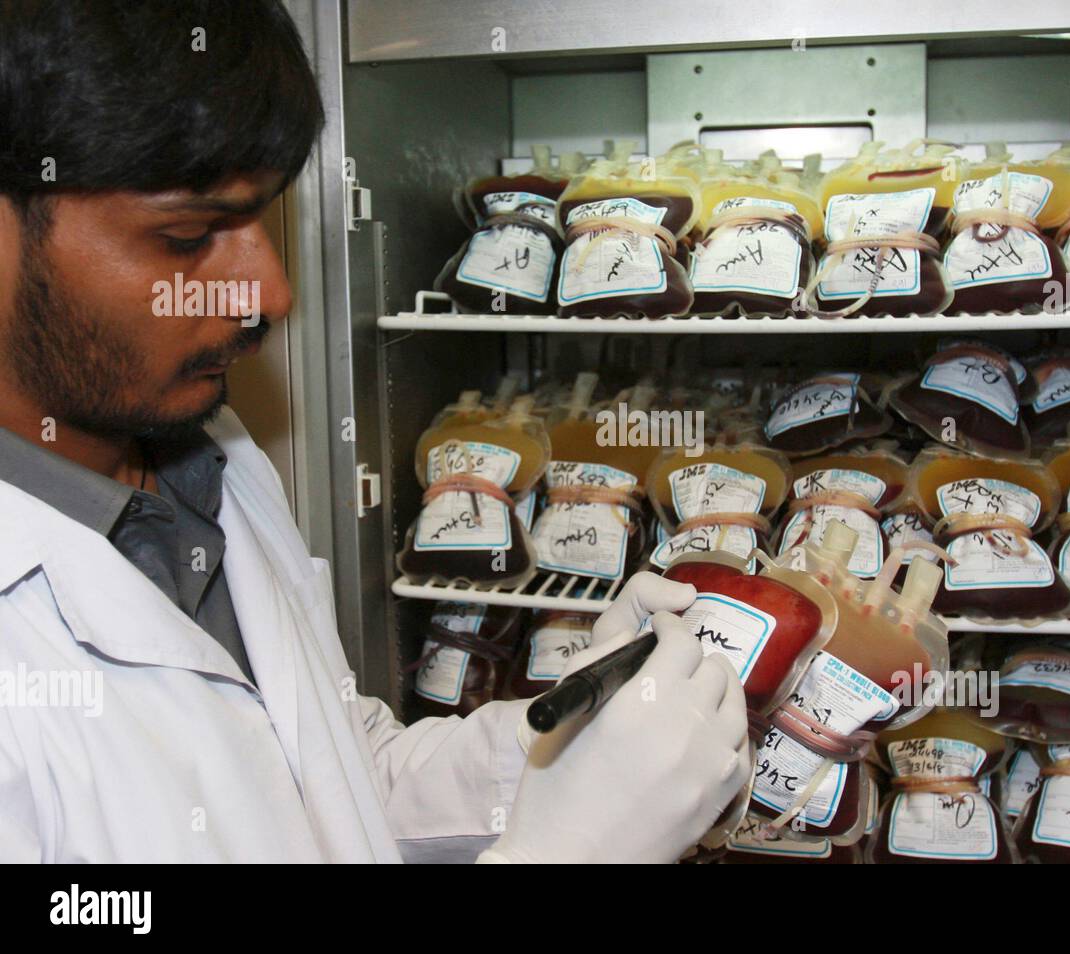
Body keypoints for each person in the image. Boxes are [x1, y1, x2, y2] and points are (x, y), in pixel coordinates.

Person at [0, 0, 747, 863]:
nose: (270, 294)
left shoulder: (214, 462)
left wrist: (567, 742)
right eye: (189, 234)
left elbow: (325, 778)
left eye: (264, 219)